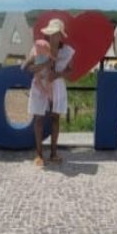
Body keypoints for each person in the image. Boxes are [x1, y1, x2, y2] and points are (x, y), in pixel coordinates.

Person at [21, 18, 75, 167]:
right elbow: (26, 68)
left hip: (57, 86)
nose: (54, 37)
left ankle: (53, 153)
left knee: (55, 118)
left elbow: (70, 70)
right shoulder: (39, 48)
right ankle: (39, 154)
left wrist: (57, 75)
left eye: (57, 34)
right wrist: (45, 64)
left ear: (61, 35)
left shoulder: (67, 51)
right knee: (38, 118)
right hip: (40, 84)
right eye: (52, 33)